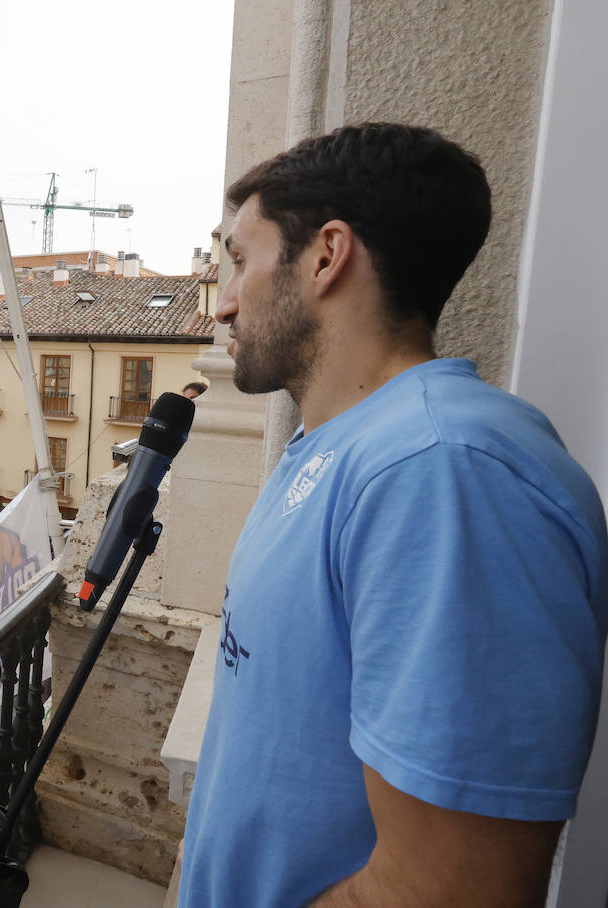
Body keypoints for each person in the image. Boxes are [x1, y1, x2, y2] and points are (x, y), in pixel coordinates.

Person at [179, 123, 607, 906]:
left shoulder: (445, 475)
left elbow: (445, 890)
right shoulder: (343, 449)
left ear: (325, 255)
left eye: (241, 261)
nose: (225, 301)